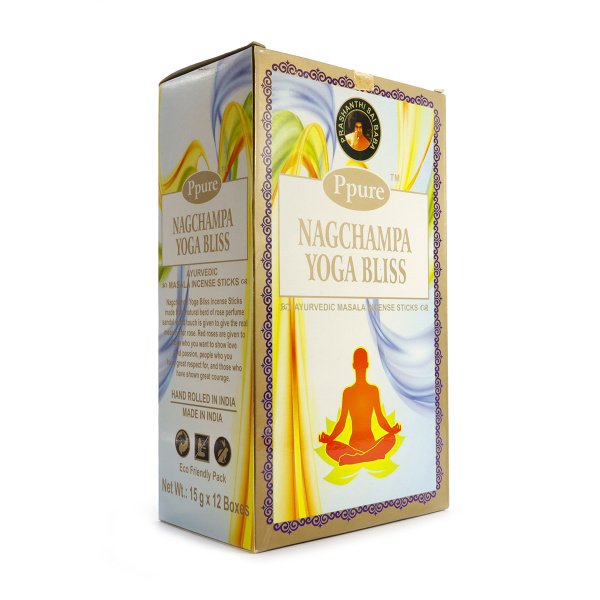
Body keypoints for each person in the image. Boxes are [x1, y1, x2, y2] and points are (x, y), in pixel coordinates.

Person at [318, 347, 401, 465]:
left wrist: (391, 430)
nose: (360, 366)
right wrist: (330, 438)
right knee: (329, 447)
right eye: (359, 363)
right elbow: (342, 422)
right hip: (354, 445)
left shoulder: (373, 390)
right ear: (354, 365)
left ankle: (356, 458)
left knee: (392, 438)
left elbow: (380, 418)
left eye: (362, 363)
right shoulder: (348, 392)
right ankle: (370, 456)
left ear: (366, 365)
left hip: (370, 443)